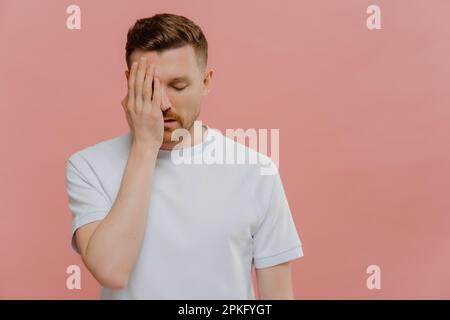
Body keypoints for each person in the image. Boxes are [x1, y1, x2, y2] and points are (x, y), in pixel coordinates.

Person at [65, 13, 303, 299]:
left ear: (205, 82)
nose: (163, 103)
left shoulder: (257, 171)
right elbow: (112, 271)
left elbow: (277, 296)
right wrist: (145, 146)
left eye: (178, 87)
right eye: (149, 87)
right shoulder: (88, 166)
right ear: (129, 83)